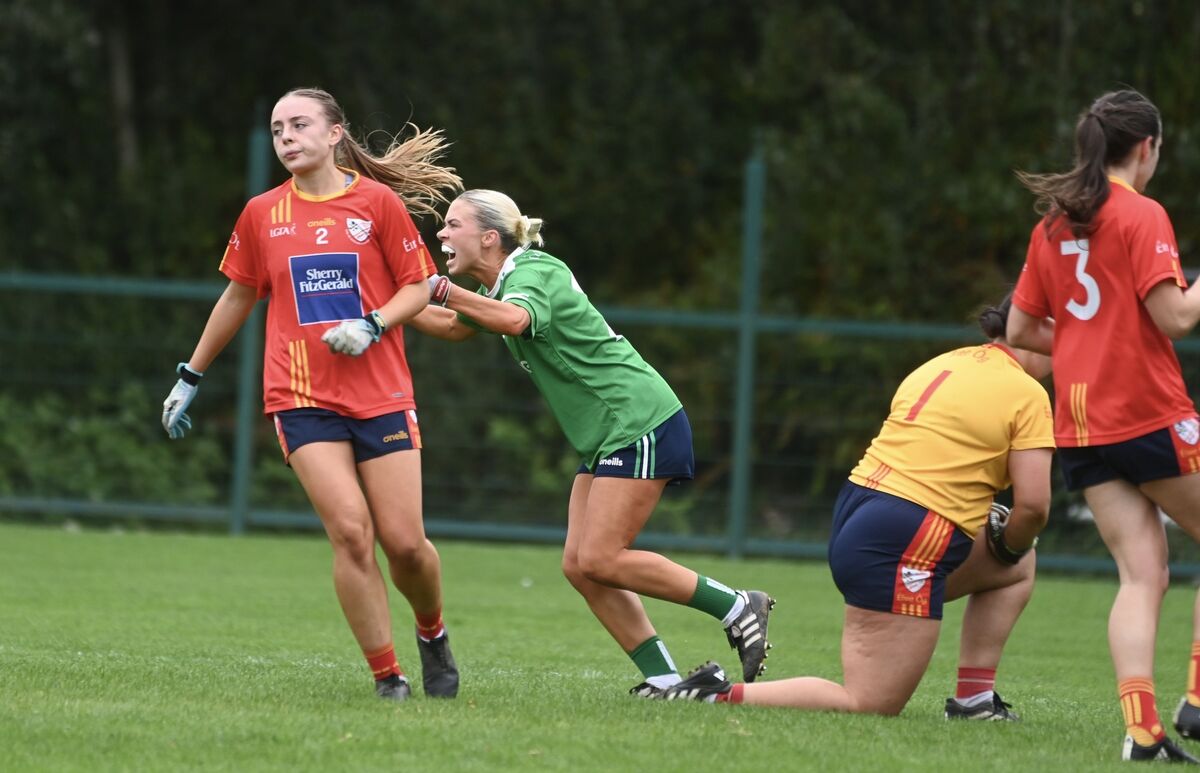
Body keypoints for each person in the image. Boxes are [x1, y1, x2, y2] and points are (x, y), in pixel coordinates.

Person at [406, 189, 774, 695]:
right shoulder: (500, 285)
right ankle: (665, 680)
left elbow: (515, 320)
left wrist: (438, 288)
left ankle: (736, 605)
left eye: (453, 224)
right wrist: (385, 300)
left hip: (637, 420)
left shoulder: (533, 271)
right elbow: (451, 326)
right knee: (581, 567)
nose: (442, 233)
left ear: (489, 237)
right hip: (608, 435)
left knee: (601, 557)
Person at [160, 87, 463, 702]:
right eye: (278, 130)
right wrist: (190, 376)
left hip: (381, 393)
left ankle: (432, 632)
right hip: (299, 395)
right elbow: (238, 295)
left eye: (299, 125)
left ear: (334, 133)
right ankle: (388, 677)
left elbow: (416, 288)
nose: (287, 138)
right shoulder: (261, 213)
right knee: (351, 532)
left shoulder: (376, 203)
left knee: (406, 545)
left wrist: (372, 324)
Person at [660, 296, 1055, 722]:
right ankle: (715, 694)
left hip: (862, 512)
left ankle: (975, 701)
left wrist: (1002, 543)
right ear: (1041, 329)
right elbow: (1033, 507)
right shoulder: (1027, 393)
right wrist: (1009, 542)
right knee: (870, 701)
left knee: (1017, 567)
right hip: (906, 537)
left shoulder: (944, 363)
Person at [1007, 88, 1200, 764]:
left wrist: (1084, 341)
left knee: (1141, 575)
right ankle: (1197, 699)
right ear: (1146, 147)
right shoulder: (1142, 213)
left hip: (1082, 424)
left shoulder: (1053, 226)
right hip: (1146, 409)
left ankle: (1142, 732)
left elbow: (1020, 328)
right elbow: (1177, 317)